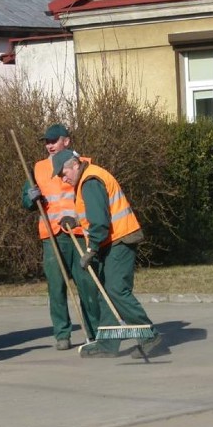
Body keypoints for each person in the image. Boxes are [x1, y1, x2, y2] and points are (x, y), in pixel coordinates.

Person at [52, 149, 165, 359]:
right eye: (60, 175)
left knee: (116, 290)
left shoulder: (90, 181)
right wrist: (75, 222)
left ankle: (149, 336)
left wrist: (90, 250)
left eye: (63, 172)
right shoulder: (88, 178)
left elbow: (100, 223)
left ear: (75, 164)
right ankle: (107, 343)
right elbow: (97, 214)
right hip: (113, 240)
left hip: (119, 241)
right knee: (105, 294)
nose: (63, 178)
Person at [22, 124, 98, 350]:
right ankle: (62, 334)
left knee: (87, 284)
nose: (49, 145)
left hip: (79, 234)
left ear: (67, 141)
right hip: (52, 235)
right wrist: (29, 196)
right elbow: (25, 201)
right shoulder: (38, 168)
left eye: (53, 140)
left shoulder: (84, 164)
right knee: (56, 287)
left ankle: (94, 332)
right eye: (46, 141)